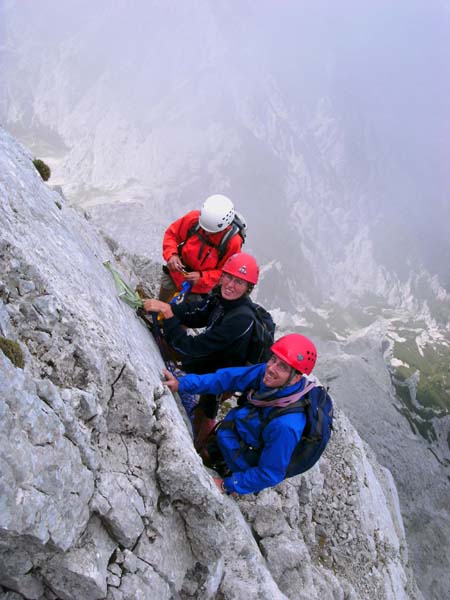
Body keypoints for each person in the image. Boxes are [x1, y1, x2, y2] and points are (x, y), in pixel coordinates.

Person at [162, 334, 318, 496]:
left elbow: (271, 473)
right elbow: (225, 378)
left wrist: (226, 485)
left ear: (296, 378)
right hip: (227, 439)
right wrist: (182, 383)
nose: (271, 368)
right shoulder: (265, 376)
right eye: (273, 359)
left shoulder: (286, 425)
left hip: (234, 465)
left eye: (283, 367)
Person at [144, 252, 260, 449]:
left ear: (248, 288)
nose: (231, 285)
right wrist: (167, 308)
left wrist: (169, 316)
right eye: (229, 277)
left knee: (207, 408)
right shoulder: (220, 298)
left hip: (228, 373)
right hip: (215, 358)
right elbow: (196, 314)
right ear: (222, 276)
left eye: (239, 282)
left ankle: (201, 449)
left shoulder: (241, 319)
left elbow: (193, 349)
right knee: (203, 399)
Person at [159, 194, 243, 301]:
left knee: (182, 311)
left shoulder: (233, 242)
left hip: (198, 288)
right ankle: (157, 310)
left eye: (212, 232)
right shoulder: (193, 219)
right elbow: (172, 234)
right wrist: (172, 255)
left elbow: (227, 273)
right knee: (163, 295)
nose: (207, 233)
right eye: (204, 229)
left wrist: (202, 277)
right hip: (176, 272)